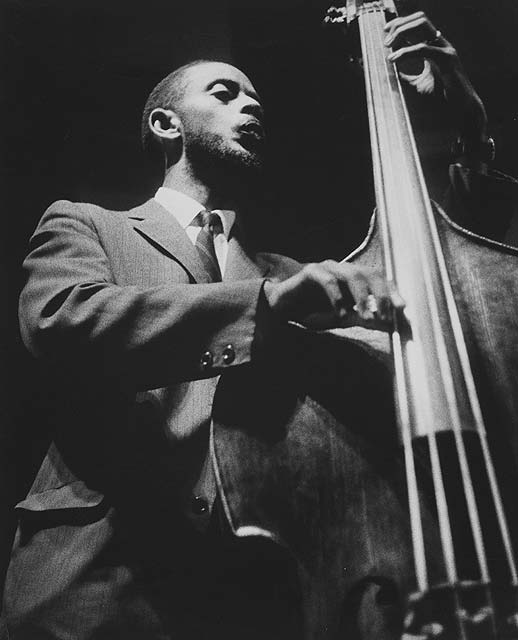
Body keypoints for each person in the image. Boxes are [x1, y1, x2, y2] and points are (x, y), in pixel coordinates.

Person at [3, 11, 517, 640]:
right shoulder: (89, 225)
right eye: (224, 93)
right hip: (101, 581)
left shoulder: (295, 276)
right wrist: (265, 306)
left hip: (258, 591)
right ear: (167, 124)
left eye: (256, 99)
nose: (250, 105)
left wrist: (458, 132)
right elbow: (63, 323)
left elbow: (456, 280)